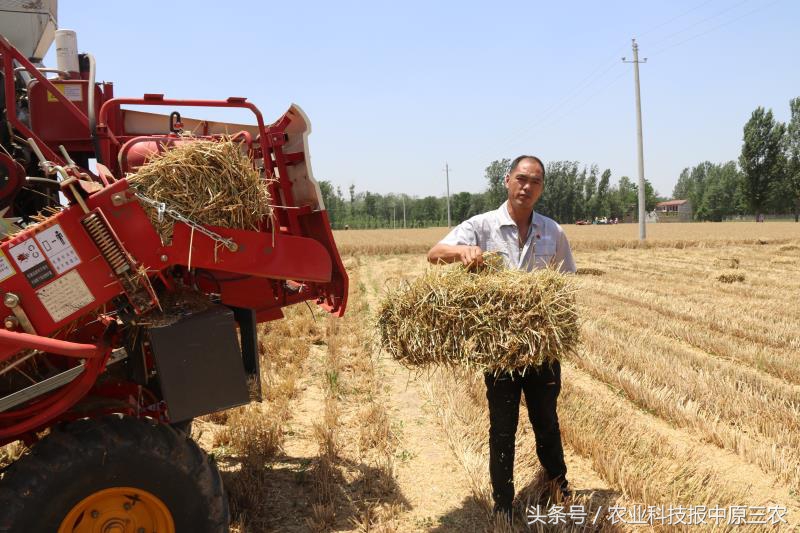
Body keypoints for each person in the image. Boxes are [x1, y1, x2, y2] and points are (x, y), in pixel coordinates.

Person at [427, 155, 576, 522]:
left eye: (535, 181)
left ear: (541, 188)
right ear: (507, 180)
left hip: (542, 349)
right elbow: (434, 254)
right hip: (500, 352)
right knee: (502, 426)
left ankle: (559, 486)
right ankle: (504, 503)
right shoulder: (482, 226)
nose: (527, 186)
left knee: (546, 420)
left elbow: (566, 284)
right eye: (521, 178)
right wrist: (462, 251)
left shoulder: (552, 231)